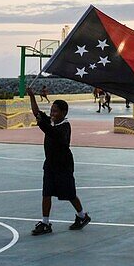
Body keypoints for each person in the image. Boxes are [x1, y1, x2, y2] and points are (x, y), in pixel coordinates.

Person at [27, 88, 89, 235]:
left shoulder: (64, 127)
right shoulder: (51, 122)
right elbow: (37, 114)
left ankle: (82, 216)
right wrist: (32, 96)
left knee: (70, 194)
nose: (52, 113)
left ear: (64, 113)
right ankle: (45, 222)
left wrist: (42, 124)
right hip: (50, 164)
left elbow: (50, 132)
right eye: (51, 111)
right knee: (46, 192)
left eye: (55, 111)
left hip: (63, 165)